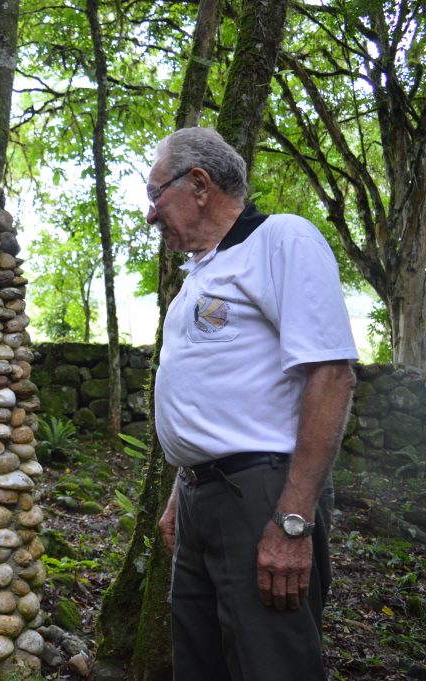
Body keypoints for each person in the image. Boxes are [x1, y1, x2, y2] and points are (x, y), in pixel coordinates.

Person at [149, 127, 358, 681]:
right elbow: (220, 396)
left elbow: (332, 375)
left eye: (155, 195)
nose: (150, 214)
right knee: (199, 665)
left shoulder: (281, 239)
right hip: (201, 497)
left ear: (199, 184)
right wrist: (181, 490)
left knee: (271, 664)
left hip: (261, 493)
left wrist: (293, 521)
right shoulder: (202, 272)